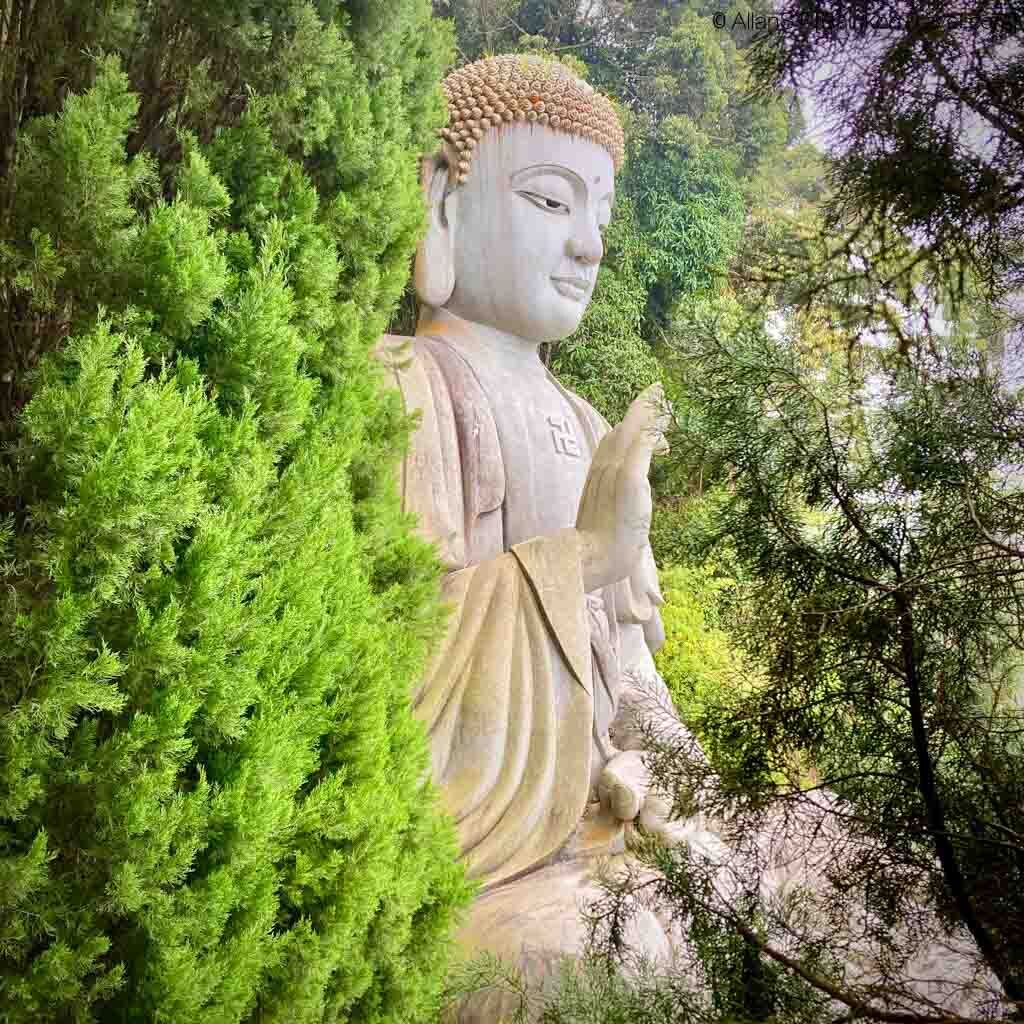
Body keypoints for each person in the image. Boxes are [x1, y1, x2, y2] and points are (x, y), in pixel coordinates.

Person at [375, 54, 696, 1019]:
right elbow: (391, 665)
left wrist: (666, 764)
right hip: (493, 843)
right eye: (552, 202)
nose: (590, 246)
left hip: (606, 815)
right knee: (566, 964)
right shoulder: (403, 387)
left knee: (818, 855)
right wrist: (582, 559)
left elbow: (631, 663)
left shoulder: (592, 423)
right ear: (442, 201)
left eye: (598, 214)